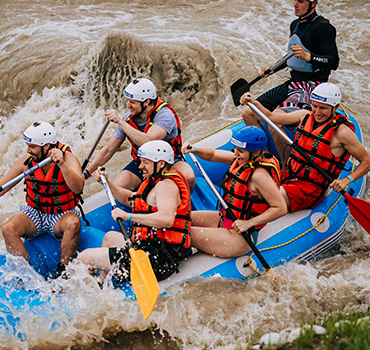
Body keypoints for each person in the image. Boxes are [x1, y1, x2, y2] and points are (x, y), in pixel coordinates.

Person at [77, 140, 192, 284]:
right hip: (149, 248)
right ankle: (101, 284)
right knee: (110, 237)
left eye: (146, 162)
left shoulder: (166, 186)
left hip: (158, 260)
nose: (140, 166)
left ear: (161, 163)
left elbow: (167, 219)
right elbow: (131, 199)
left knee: (84, 258)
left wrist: (128, 216)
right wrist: (108, 183)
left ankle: (90, 294)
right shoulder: (154, 182)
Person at [243, 83, 370, 213]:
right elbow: (271, 117)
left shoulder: (342, 132)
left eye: (323, 108)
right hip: (289, 175)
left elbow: (367, 161)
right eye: (314, 106)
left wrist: (347, 180)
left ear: (335, 107)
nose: (317, 112)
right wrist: (253, 102)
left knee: (266, 194)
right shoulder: (305, 115)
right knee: (246, 179)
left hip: (310, 190)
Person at [182, 126, 287, 258]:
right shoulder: (242, 161)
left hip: (240, 237)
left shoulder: (259, 176)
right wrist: (195, 150)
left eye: (240, 151)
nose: (236, 154)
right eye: (236, 149)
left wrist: (248, 223)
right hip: (227, 219)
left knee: (182, 231)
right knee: (180, 218)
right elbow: (213, 155)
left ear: (256, 153)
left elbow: (280, 208)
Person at [0, 122, 84, 277]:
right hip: (35, 214)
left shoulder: (68, 159)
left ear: (46, 146)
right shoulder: (27, 161)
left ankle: (63, 272)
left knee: (73, 223)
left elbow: (78, 187)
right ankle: (27, 277)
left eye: (32, 146)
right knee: (8, 228)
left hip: (61, 215)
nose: (28, 150)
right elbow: (3, 186)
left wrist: (63, 165)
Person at [83, 77, 195, 191]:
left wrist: (120, 122)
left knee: (188, 177)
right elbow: (108, 150)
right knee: (119, 186)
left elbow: (149, 141)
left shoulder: (165, 115)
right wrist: (86, 173)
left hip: (168, 162)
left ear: (146, 102)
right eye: (128, 101)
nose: (128, 105)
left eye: (132, 102)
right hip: (143, 164)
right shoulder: (127, 119)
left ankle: (186, 204)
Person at [242, 0, 339, 127]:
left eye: (301, 1)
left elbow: (334, 61)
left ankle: (286, 146)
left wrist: (309, 57)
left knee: (277, 119)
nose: (295, 4)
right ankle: (261, 147)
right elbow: (293, 55)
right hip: (293, 82)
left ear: (313, 3)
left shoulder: (323, 27)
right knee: (248, 112)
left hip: (311, 85)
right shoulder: (295, 24)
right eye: (295, 0)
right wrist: (273, 69)